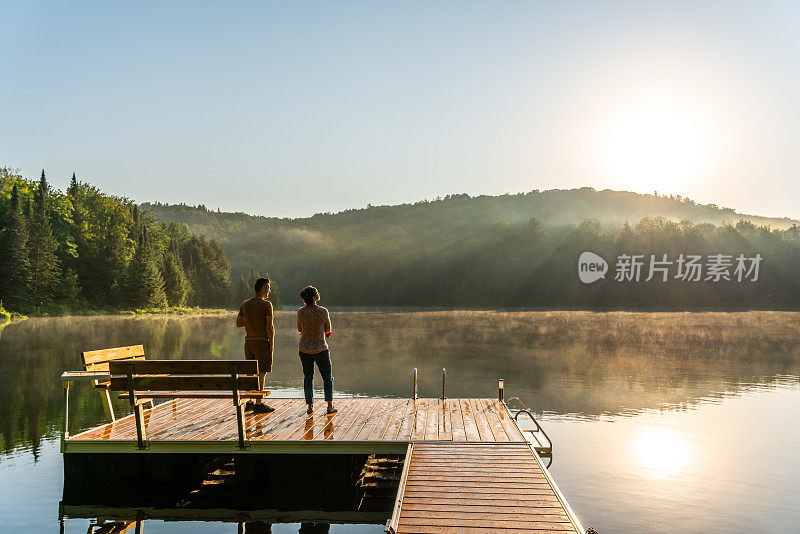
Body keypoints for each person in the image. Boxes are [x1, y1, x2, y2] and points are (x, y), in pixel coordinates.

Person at [236, 277, 275, 414]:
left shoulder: (245, 304)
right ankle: (259, 403)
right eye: (268, 289)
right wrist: (271, 344)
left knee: (250, 372)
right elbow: (269, 327)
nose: (269, 291)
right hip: (261, 342)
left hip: (249, 343)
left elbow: (239, 323)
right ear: (263, 289)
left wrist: (252, 322)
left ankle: (249, 402)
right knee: (261, 373)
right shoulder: (266, 305)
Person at [297, 285, 336, 416]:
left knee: (308, 376)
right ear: (315, 297)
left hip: (304, 349)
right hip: (320, 349)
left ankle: (309, 407)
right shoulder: (323, 311)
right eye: (317, 293)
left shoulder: (300, 312)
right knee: (327, 377)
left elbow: (300, 329)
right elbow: (328, 329)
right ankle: (330, 406)